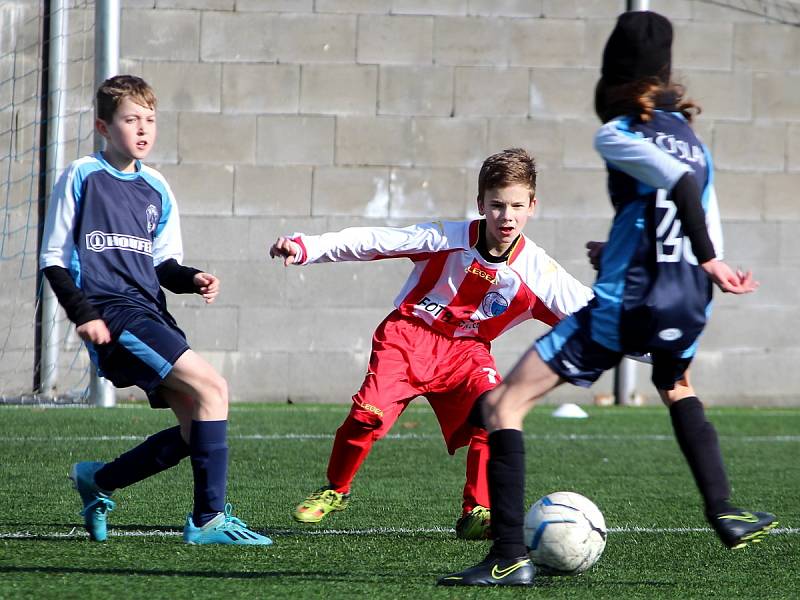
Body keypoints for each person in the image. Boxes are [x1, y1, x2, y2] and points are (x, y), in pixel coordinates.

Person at [439, 11, 777, 587]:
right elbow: (681, 207)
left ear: (611, 74)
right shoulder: (693, 138)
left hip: (631, 300)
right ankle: (725, 507)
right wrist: (680, 258)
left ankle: (509, 555)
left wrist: (707, 257)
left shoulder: (616, 132)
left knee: (502, 408)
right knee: (676, 385)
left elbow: (680, 187)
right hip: (688, 298)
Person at [269, 148, 593, 539]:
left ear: (532, 206)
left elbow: (599, 315)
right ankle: (335, 489)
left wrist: (659, 347)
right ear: (480, 204)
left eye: (516, 206)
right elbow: (375, 241)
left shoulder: (540, 273)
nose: (506, 216)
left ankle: (477, 509)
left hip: (467, 355)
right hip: (408, 338)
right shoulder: (445, 237)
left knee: (495, 412)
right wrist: (307, 248)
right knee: (365, 416)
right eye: (496, 205)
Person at [40, 75, 271, 546]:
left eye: (150, 120)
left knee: (195, 426)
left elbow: (162, 263)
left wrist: (192, 278)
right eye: (131, 120)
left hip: (150, 312)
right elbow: (54, 258)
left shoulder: (156, 186)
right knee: (214, 387)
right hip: (111, 312)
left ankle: (99, 480)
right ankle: (208, 520)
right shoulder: (82, 176)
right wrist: (83, 313)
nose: (143, 129)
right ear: (103, 126)